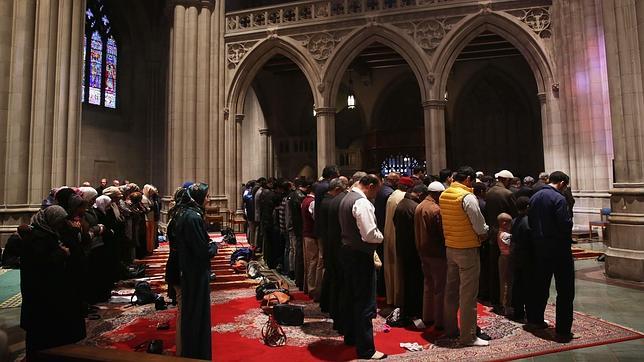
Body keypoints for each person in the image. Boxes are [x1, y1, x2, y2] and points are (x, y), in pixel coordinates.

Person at [21, 206, 86, 358]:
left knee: (54, 333)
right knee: (42, 336)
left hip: (50, 292)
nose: (61, 225)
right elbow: (41, 265)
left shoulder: (47, 233)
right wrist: (61, 252)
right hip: (40, 295)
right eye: (58, 221)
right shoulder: (36, 238)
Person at [338, 174, 386, 360]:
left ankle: (351, 337)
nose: (377, 194)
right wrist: (381, 237)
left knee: (351, 297)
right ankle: (367, 349)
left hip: (348, 252)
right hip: (360, 255)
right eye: (377, 189)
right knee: (365, 301)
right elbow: (369, 234)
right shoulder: (362, 202)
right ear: (371, 185)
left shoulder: (346, 198)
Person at [440, 166, 489, 347]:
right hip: (467, 248)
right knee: (468, 294)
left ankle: (451, 329)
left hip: (450, 247)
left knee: (451, 291)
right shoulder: (467, 197)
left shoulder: (445, 194)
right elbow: (479, 225)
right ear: (468, 179)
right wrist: (485, 232)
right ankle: (468, 336)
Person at [528, 171, 576, 342]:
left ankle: (535, 320)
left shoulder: (535, 196)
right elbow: (565, 223)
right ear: (562, 183)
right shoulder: (559, 199)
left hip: (539, 247)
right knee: (565, 289)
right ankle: (563, 330)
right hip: (559, 248)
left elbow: (531, 221)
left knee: (540, 285)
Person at [170, 183, 212, 359]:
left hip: (186, 268)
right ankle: (192, 352)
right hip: (193, 272)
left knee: (188, 311)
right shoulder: (192, 217)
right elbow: (201, 250)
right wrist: (213, 248)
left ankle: (188, 350)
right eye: (207, 196)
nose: (209, 199)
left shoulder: (183, 213)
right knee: (193, 313)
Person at [483, 169, 518, 310]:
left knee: (493, 268)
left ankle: (494, 299)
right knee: (506, 270)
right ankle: (506, 301)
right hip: (504, 233)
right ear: (506, 180)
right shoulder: (507, 194)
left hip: (492, 233)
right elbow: (514, 214)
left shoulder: (489, 192)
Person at [414, 181, 446, 328]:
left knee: (428, 284)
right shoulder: (435, 209)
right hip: (436, 253)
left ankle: (428, 316)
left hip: (423, 250)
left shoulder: (420, 205)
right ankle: (440, 321)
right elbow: (441, 233)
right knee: (440, 288)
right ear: (438, 194)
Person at [393, 183, 427, 319]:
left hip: (403, 246)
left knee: (407, 280)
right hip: (412, 249)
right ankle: (414, 310)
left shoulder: (402, 203)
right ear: (420, 194)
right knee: (414, 282)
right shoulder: (413, 207)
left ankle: (408, 309)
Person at [383, 176, 413, 306]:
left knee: (391, 268)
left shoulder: (393, 195)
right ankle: (399, 299)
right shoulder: (402, 198)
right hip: (397, 234)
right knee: (398, 269)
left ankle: (392, 298)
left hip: (389, 233)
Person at [325, 176, 350, 333]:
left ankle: (337, 316)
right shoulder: (343, 201)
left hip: (333, 247)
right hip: (341, 248)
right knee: (343, 286)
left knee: (337, 283)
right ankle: (342, 320)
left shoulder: (332, 201)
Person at [510, 196, 532, 322]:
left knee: (517, 285)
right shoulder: (528, 221)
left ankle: (518, 311)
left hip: (516, 256)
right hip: (526, 257)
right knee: (528, 286)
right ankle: (530, 313)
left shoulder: (514, 220)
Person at [301, 184, 317, 296]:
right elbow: (315, 218)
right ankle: (311, 288)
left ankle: (307, 286)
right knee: (313, 262)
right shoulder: (312, 202)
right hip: (311, 234)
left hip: (306, 233)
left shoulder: (305, 200)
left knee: (308, 262)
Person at [496, 213, 513, 316]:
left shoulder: (500, 232)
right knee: (507, 282)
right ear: (504, 223)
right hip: (506, 258)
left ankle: (504, 303)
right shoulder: (505, 235)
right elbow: (513, 243)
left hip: (503, 257)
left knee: (504, 281)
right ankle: (506, 305)